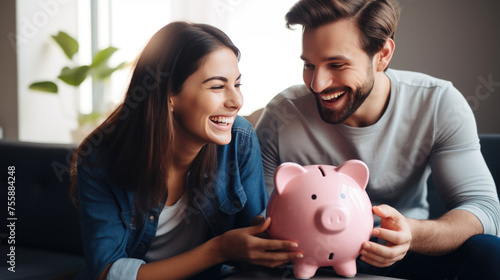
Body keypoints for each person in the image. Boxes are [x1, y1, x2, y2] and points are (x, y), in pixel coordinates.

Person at [255, 0, 500, 279]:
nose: (317, 84)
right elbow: (257, 217)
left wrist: (411, 233)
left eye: (336, 64)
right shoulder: (282, 115)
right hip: (309, 260)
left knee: (489, 251)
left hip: (406, 255)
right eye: (310, 65)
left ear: (382, 55)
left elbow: (484, 210)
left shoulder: (438, 103)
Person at [70, 21, 302, 280]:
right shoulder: (101, 159)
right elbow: (106, 273)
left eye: (237, 84)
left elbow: (254, 251)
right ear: (169, 94)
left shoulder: (240, 139)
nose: (237, 101)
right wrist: (219, 249)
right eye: (217, 86)